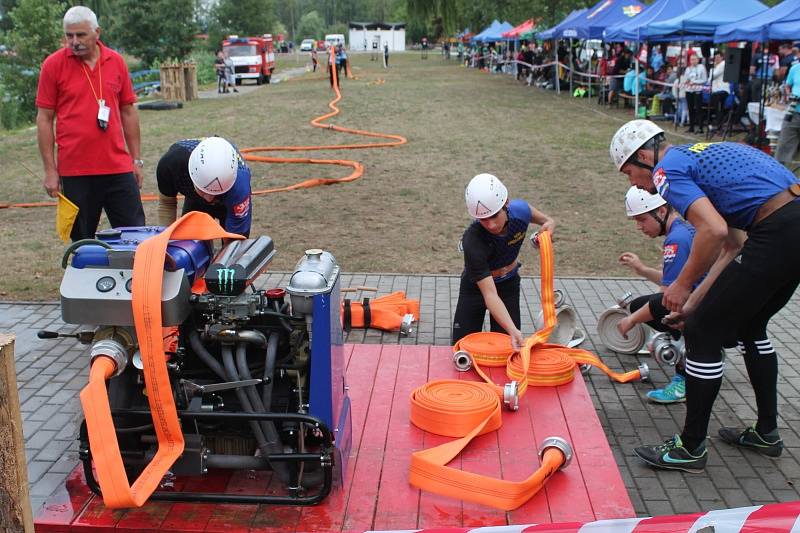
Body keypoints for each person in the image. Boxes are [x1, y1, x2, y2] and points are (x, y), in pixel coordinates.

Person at [610, 119, 800, 473]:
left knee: (701, 332)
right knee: (751, 327)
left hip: (776, 229)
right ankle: (767, 433)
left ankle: (691, 447)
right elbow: (732, 244)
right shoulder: (697, 156)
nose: (634, 182)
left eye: (629, 172)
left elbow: (712, 231)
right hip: (791, 223)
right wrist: (694, 300)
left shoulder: (668, 170)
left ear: (645, 156)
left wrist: (682, 286)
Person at [36, 5, 145, 242]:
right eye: (69, 36)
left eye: (80, 35)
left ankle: (135, 279)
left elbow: (128, 111)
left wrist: (136, 160)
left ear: (97, 32)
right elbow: (44, 119)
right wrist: (50, 170)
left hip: (118, 168)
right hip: (76, 172)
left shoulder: (116, 62)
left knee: (135, 237)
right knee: (82, 241)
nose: (74, 42)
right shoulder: (53, 65)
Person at [452, 174, 555, 350]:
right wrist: (512, 329)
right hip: (476, 288)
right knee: (462, 350)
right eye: (483, 219)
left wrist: (547, 231)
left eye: (494, 215)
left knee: (507, 349)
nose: (491, 225)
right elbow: (490, 294)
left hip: (508, 285)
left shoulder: (520, 212)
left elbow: (548, 221)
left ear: (506, 203)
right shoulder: (473, 240)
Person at [617, 187, 698, 404]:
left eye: (642, 219)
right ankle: (700, 355)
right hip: (712, 301)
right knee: (642, 305)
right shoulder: (684, 230)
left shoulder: (677, 240)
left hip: (707, 310)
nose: (639, 227)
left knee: (665, 311)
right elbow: (675, 282)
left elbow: (669, 299)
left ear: (661, 211)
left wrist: (630, 321)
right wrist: (641, 269)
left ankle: (686, 376)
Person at [156, 137, 252, 237]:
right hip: (195, 197)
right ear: (192, 174)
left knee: (235, 248)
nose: (209, 199)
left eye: (216, 193)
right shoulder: (170, 166)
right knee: (190, 240)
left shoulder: (240, 186)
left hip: (229, 200)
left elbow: (235, 243)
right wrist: (165, 240)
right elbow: (166, 204)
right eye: (204, 191)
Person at [775, 57, 800, 169]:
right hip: (793, 111)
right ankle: (777, 174)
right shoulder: (795, 68)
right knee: (783, 145)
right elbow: (788, 86)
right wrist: (789, 94)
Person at [682, 54, 708, 134]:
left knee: (698, 109)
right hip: (689, 90)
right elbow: (685, 79)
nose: (693, 61)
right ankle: (691, 127)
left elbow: (704, 79)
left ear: (698, 60)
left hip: (698, 90)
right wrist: (686, 81)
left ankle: (700, 128)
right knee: (690, 109)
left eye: (694, 59)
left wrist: (694, 82)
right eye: (691, 59)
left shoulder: (702, 67)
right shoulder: (688, 69)